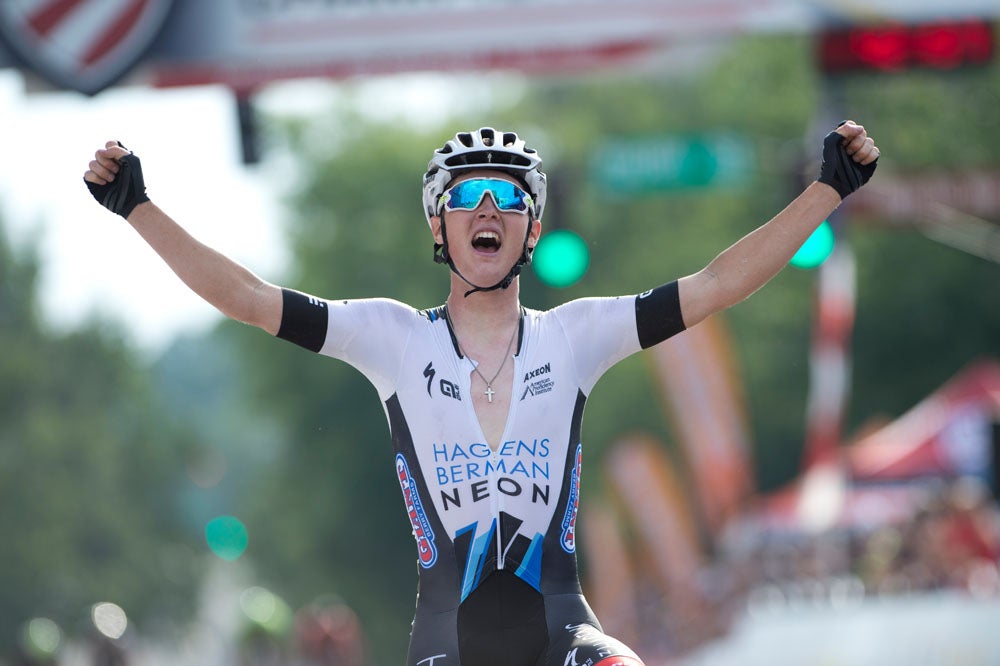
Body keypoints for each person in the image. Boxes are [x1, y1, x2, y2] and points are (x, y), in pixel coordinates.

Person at [83, 122, 879, 666]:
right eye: (466, 198)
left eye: (509, 198)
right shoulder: (393, 338)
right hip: (448, 641)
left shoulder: (577, 335)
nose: (488, 211)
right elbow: (253, 300)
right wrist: (139, 210)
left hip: (563, 632)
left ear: (532, 230)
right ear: (440, 227)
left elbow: (714, 285)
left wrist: (827, 191)